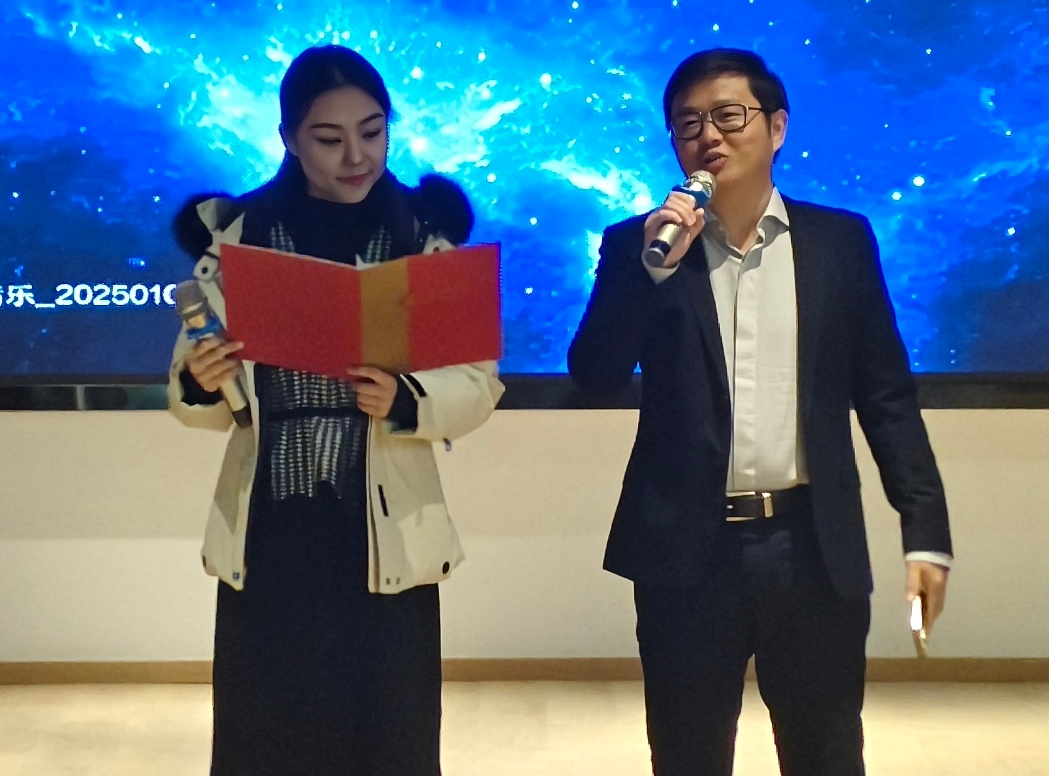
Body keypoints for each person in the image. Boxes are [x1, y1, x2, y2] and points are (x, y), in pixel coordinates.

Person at [567, 48, 953, 776]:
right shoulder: (639, 247)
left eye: (727, 116)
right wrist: (651, 272)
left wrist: (924, 531)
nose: (707, 136)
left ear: (776, 128)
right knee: (686, 754)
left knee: (825, 752)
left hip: (810, 547)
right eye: (688, 124)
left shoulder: (839, 243)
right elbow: (593, 375)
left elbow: (886, 396)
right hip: (687, 552)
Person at [167, 44, 504, 776]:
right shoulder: (239, 240)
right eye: (328, 137)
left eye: (372, 131)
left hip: (386, 536)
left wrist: (407, 399)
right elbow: (193, 402)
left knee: (388, 741)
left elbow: (478, 387)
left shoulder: (425, 241)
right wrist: (202, 380)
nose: (357, 156)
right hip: (269, 536)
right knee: (266, 742)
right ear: (289, 138)